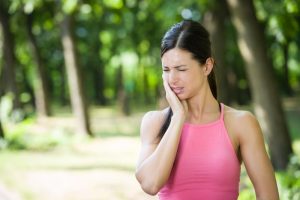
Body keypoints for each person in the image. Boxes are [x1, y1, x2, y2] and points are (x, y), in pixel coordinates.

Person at [135, 20, 279, 200]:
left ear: (207, 66)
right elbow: (150, 184)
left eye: (181, 69)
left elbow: (269, 196)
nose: (172, 79)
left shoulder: (241, 123)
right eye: (166, 69)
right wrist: (178, 117)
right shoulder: (154, 123)